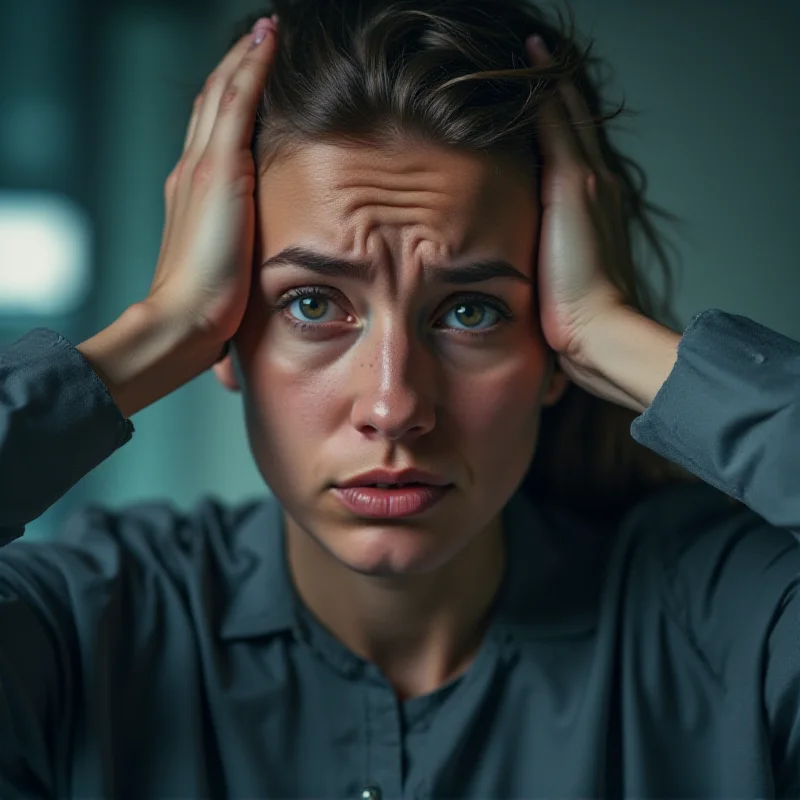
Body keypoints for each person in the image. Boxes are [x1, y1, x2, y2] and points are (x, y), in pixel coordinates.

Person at [0, 0, 798, 796]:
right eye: (312, 304)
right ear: (227, 333)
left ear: (556, 350)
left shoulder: (729, 626)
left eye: (471, 311)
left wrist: (613, 333)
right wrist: (156, 331)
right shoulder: (79, 634)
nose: (393, 405)